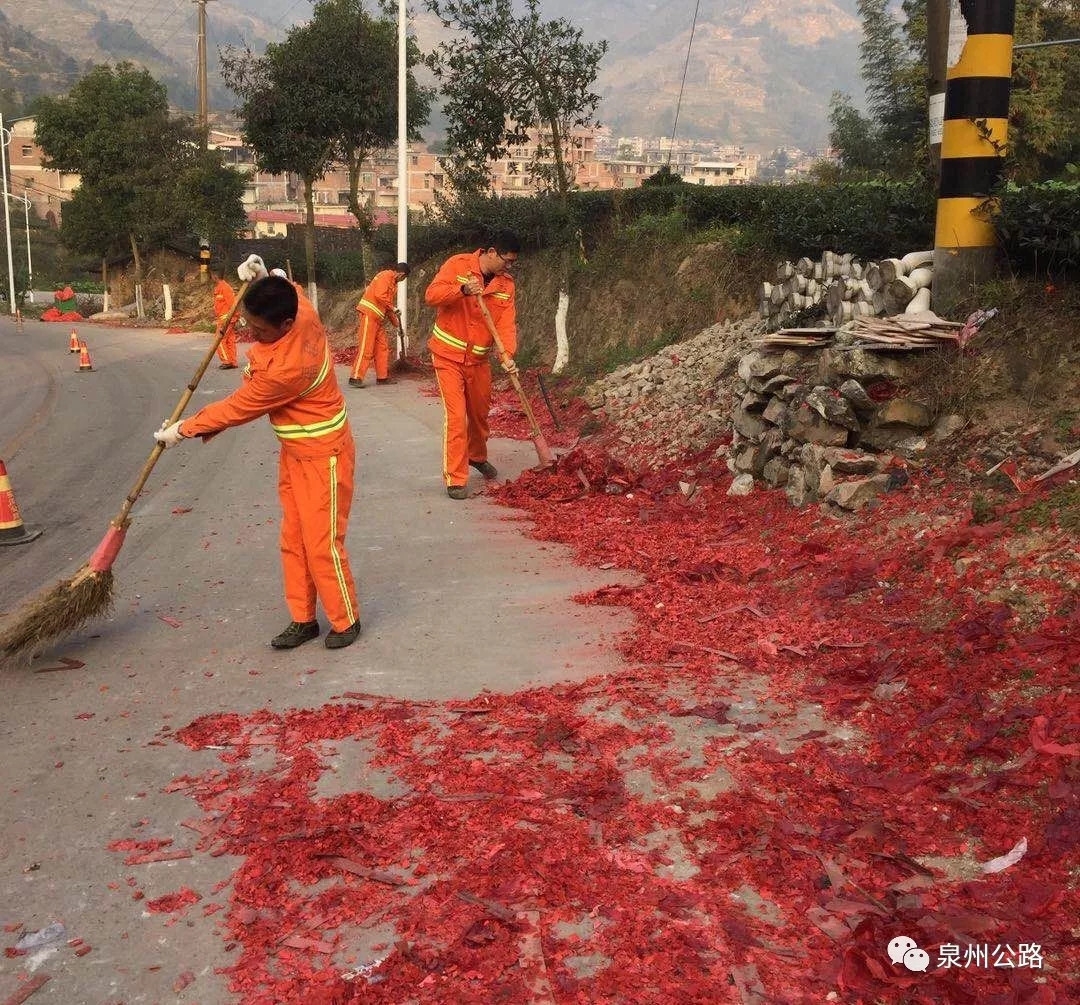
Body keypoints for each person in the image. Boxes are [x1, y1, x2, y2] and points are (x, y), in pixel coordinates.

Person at [154, 275, 362, 650]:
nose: (251, 334)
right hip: (295, 453)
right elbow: (290, 287)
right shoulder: (301, 308)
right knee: (293, 540)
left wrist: (184, 429)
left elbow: (237, 407)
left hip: (324, 456)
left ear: (285, 325)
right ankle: (303, 619)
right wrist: (263, 273)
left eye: (258, 329)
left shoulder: (287, 370)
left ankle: (346, 619)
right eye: (248, 324)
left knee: (321, 543)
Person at [425, 232, 519, 500]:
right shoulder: (458, 265)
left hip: (478, 361)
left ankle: (476, 456)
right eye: (506, 261)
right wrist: (462, 290)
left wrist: (507, 355)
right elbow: (431, 295)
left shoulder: (506, 285)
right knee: (456, 417)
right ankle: (455, 478)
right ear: (491, 252)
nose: (508, 267)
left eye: (513, 263)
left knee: (479, 414)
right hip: (447, 356)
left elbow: (505, 324)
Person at [349, 263, 410, 388]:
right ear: (402, 274)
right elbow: (379, 295)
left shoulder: (393, 284)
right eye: (404, 279)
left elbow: (388, 307)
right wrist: (393, 308)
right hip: (369, 316)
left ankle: (382, 377)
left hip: (378, 320)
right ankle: (355, 378)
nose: (402, 281)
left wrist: (397, 326)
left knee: (382, 348)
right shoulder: (385, 276)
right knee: (366, 348)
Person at [212, 273, 240, 369]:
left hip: (226, 319)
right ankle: (232, 361)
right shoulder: (219, 287)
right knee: (229, 340)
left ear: (215, 275)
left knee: (219, 339)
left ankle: (227, 361)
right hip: (224, 318)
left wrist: (235, 317)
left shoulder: (225, 288)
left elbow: (232, 304)